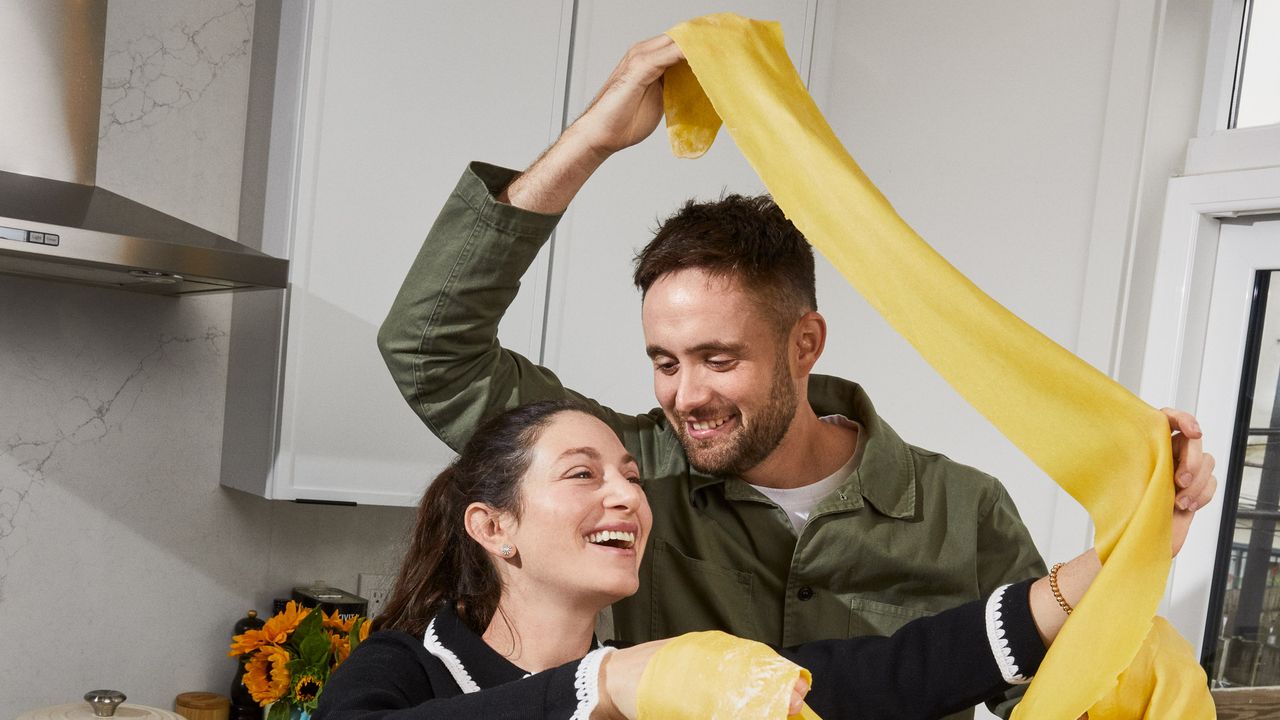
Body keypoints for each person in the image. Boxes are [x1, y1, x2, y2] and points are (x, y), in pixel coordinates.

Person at [376, 35, 1218, 719]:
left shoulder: (964, 514)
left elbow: (1041, 680)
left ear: (805, 343)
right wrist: (592, 137)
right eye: (665, 362)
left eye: (719, 359)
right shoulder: (628, 483)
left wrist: (1142, 527)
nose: (685, 396)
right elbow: (428, 349)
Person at [315, 400, 1187, 720]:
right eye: (583, 474)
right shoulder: (404, 671)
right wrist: (602, 686)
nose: (625, 496)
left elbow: (894, 672)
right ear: (492, 527)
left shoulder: (672, 684)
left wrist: (1126, 553)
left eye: (630, 477)